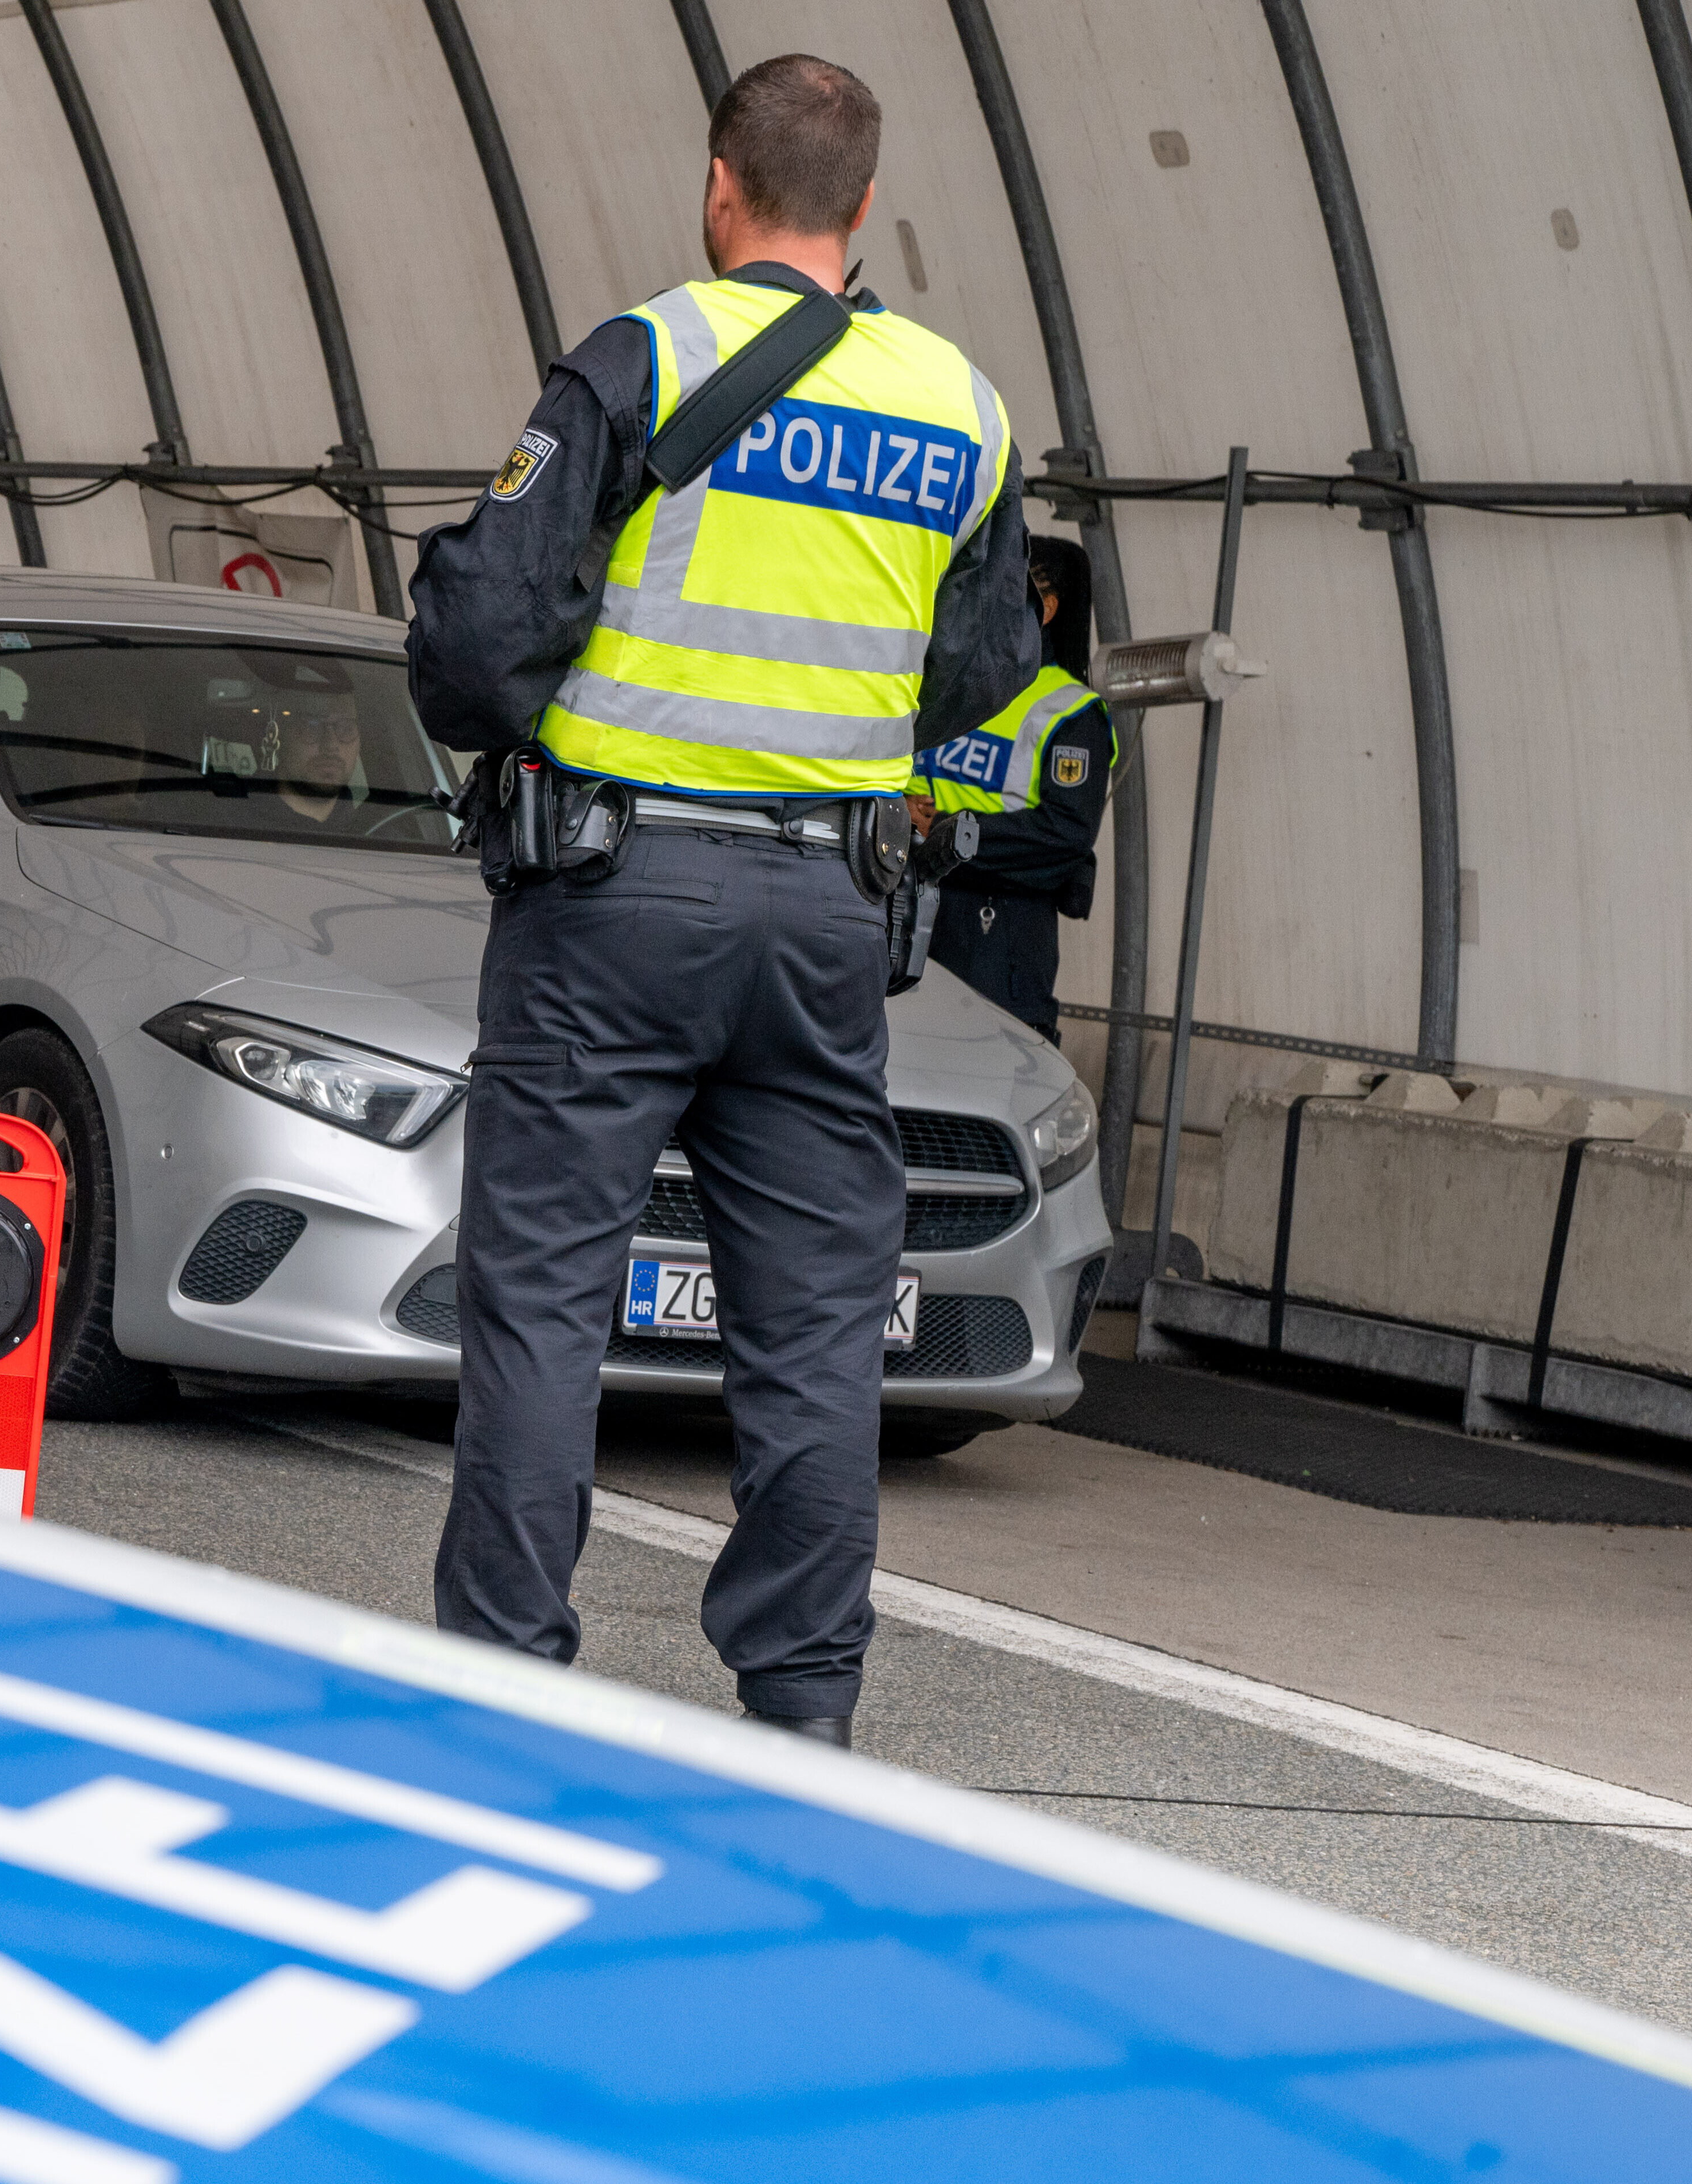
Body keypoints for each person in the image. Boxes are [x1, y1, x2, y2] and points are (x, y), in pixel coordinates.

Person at [402, 55, 1041, 1749]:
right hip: (829, 912)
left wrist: (547, 721)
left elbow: (477, 643)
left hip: (613, 898)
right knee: (819, 1324)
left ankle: (504, 1672)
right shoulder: (962, 407)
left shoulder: (646, 354)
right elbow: (984, 671)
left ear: (719, 186)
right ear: (866, 204)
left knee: (543, 1291)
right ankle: (803, 1704)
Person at [912, 535, 1114, 1037]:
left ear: (1045, 610)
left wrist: (943, 831)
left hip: (996, 936)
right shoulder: (943, 680)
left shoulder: (1069, 710)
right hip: (909, 908)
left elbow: (1062, 836)